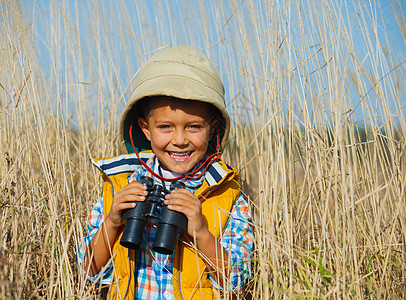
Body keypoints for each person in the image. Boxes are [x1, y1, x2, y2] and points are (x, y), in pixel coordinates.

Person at [78, 45, 253, 300]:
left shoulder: (226, 196)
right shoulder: (121, 186)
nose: (180, 140)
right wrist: (114, 221)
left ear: (213, 129)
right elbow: (89, 269)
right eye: (165, 127)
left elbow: (236, 280)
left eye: (194, 127)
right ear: (145, 129)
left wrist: (201, 233)